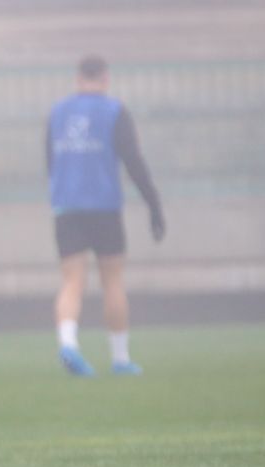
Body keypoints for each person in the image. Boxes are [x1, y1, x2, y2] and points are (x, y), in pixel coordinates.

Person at [47, 54, 165, 377]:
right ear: (105, 78)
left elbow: (50, 162)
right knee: (112, 280)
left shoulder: (57, 113)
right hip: (104, 206)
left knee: (71, 280)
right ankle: (121, 359)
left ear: (77, 78)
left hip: (66, 207)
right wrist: (153, 203)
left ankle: (68, 344)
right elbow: (133, 161)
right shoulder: (114, 111)